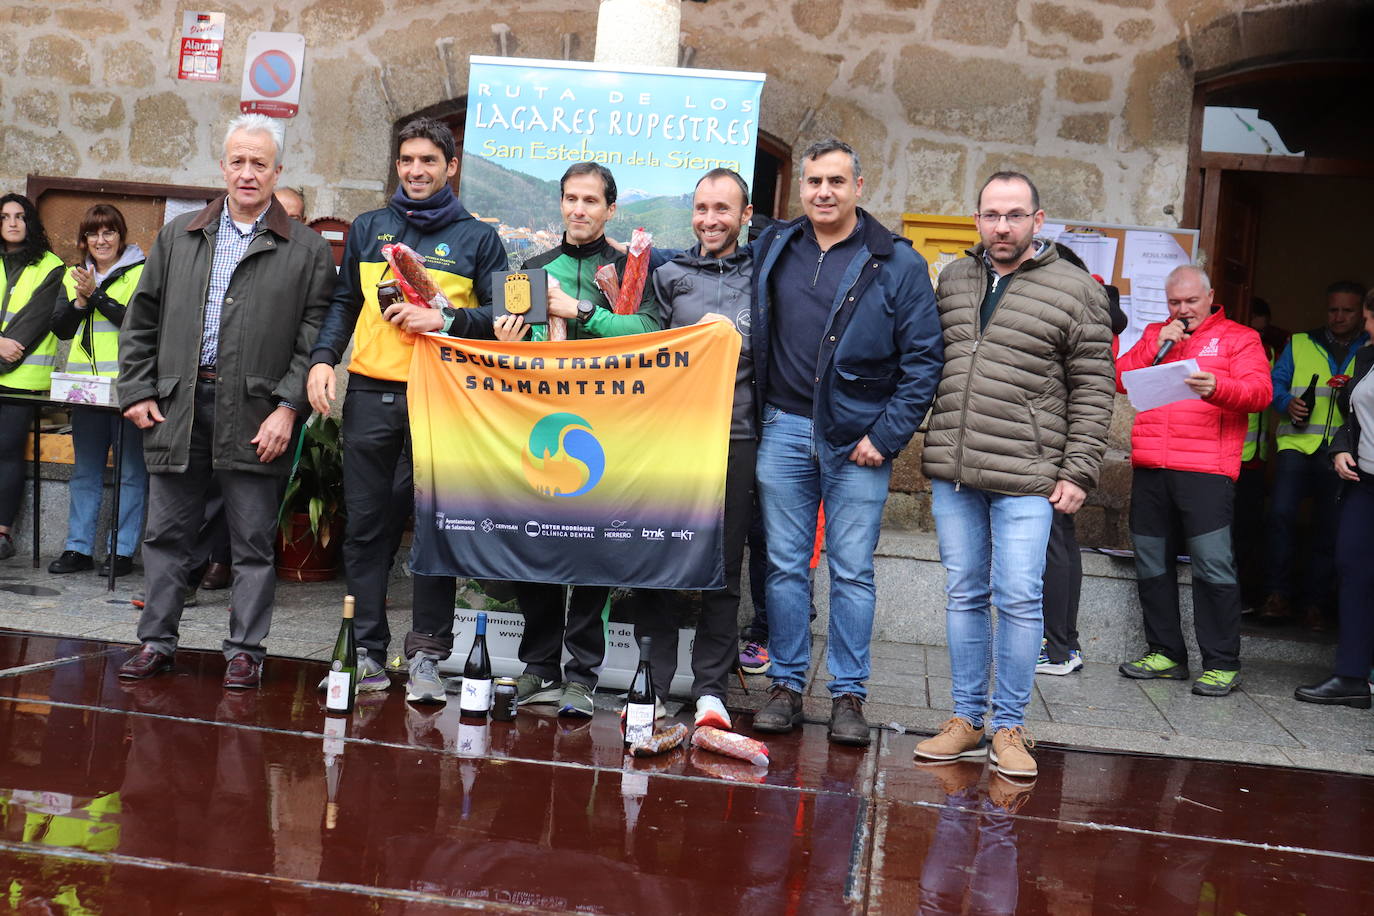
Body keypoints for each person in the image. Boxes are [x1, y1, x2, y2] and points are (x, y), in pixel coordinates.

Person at [115, 114, 334, 687]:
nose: (246, 172)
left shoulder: (306, 249)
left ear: (277, 171)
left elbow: (313, 340)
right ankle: (157, 642)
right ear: (222, 166)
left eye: (259, 163)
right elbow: (142, 321)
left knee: (252, 542)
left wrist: (289, 407)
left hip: (258, 414)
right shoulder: (179, 235)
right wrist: (136, 390)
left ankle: (245, 650)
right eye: (237, 160)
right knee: (165, 536)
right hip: (177, 407)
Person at [915, 171, 1114, 778]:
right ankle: (966, 719)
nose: (1002, 226)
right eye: (991, 215)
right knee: (965, 594)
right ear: (976, 219)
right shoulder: (954, 278)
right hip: (957, 468)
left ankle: (1008, 726)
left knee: (1021, 599)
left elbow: (1094, 386)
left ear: (1038, 219)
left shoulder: (1077, 289)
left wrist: (1079, 469)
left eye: (1014, 215)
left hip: (1029, 473)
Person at [748, 139, 943, 747]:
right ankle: (784, 684)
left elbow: (924, 361)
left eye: (836, 181)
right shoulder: (777, 245)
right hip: (782, 428)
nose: (823, 192)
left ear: (860, 185)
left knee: (852, 571)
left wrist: (883, 438)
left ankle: (848, 694)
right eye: (813, 182)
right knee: (783, 568)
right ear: (800, 189)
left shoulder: (896, 262)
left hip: (856, 442)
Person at [307, 117, 508, 705]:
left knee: (433, 529)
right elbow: (344, 303)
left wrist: (445, 320)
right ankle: (366, 652)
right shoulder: (369, 228)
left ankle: (425, 655)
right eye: (406, 161)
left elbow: (500, 324)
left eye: (428, 161)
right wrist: (324, 360)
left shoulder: (478, 238)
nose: (416, 171)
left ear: (452, 167)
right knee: (366, 529)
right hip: (369, 392)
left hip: (441, 396)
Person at [493, 161, 660, 719]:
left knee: (593, 549)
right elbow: (512, 344)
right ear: (560, 203)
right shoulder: (535, 266)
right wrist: (509, 336)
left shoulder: (632, 267)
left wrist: (582, 312)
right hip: (541, 424)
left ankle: (582, 676)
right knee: (534, 540)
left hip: (608, 429)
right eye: (570, 199)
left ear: (611, 209)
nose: (579, 209)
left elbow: (651, 333)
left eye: (591, 200)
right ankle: (539, 665)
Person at [632, 167, 755, 729]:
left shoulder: (764, 274)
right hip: (674, 440)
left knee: (723, 567)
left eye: (723, 209)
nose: (710, 219)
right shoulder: (669, 273)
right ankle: (652, 684)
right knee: (660, 559)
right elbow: (644, 348)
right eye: (702, 208)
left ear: (746, 216)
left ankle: (711, 690)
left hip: (737, 435)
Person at [1115, 265, 1272, 696]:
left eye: (1191, 301)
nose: (1183, 310)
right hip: (1151, 465)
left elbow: (1260, 394)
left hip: (1206, 470)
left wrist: (1217, 387)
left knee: (1212, 565)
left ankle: (1222, 662)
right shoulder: (1156, 333)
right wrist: (1158, 345)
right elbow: (1119, 377)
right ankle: (1165, 653)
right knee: (1150, 561)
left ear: (1211, 297)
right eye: (1174, 303)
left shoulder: (1241, 339)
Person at [1037, 243, 1127, 676]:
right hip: (1064, 445)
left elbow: (1088, 392)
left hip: (1053, 445)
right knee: (1061, 542)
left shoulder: (1080, 309)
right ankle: (1062, 645)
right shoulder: (1098, 308)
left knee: (1053, 544)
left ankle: (1057, 647)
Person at [1260, 280, 1368, 627]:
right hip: (1296, 444)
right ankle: (1277, 595)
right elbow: (1275, 383)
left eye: (1347, 310)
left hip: (1344, 451)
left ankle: (1316, 604)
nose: (1338, 317)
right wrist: (1285, 403)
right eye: (1332, 309)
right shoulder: (1302, 341)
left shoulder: (1370, 345)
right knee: (1280, 517)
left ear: (1361, 312)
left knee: (1330, 527)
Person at [49, 204, 148, 578]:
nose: (101, 240)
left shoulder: (141, 273)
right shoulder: (74, 276)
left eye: (109, 232)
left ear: (121, 237)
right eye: (93, 233)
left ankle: (121, 552)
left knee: (131, 474)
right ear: (84, 240)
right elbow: (60, 327)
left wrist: (97, 297)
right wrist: (78, 300)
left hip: (129, 390)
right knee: (85, 473)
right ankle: (78, 549)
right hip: (86, 394)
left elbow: (137, 322)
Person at [1294, 288, 1374, 708]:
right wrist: (1340, 447)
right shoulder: (1367, 357)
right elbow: (1350, 414)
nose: (1368, 329)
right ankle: (1351, 677)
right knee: (1353, 569)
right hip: (1365, 483)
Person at [0, 193, 63, 561]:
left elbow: (34, 322)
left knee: (7, 453)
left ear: (31, 223)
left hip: (22, 380)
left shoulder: (51, 266)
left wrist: (6, 350)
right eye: (5, 216)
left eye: (20, 216)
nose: (12, 223)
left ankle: (3, 533)